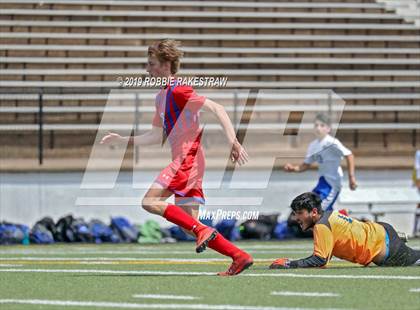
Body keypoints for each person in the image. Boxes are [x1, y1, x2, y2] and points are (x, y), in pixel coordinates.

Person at [100, 39, 253, 276]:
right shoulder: (161, 97)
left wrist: (233, 141)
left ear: (166, 64)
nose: (147, 70)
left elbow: (217, 108)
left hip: (186, 160)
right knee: (191, 228)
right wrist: (122, 140)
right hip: (189, 162)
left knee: (149, 202)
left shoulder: (179, 90)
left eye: (151, 64)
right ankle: (239, 256)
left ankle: (209, 236)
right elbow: (155, 135)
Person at [269, 192, 420, 269]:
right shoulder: (328, 216)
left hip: (386, 249)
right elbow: (344, 218)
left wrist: (290, 264)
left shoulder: (321, 226)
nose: (296, 218)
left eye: (300, 213)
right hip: (381, 230)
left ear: (314, 212)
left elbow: (320, 260)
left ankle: (399, 241)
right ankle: (399, 238)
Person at [284, 113, 357, 211]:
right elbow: (305, 165)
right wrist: (293, 169)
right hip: (322, 182)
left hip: (332, 184)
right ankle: (341, 215)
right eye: (316, 125)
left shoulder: (332, 143)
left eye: (322, 125)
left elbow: (349, 155)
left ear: (328, 129)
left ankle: (343, 215)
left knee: (317, 211)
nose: (318, 128)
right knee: (310, 207)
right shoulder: (313, 145)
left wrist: (351, 178)